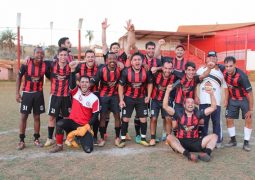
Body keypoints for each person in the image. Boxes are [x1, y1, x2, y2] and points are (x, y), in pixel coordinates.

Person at [50, 63, 99, 153]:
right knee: (60, 124)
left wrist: (87, 126)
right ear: (79, 83)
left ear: (89, 84)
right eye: (82, 82)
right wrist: (72, 71)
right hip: (72, 123)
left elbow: (95, 115)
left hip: (84, 126)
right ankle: (59, 145)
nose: (84, 84)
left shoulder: (94, 98)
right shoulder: (76, 92)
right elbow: (72, 84)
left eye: (86, 82)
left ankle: (80, 138)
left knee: (88, 150)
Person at [163, 84, 218, 162]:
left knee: (214, 136)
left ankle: (207, 154)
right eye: (188, 102)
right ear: (184, 105)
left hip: (195, 142)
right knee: (169, 137)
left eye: (192, 102)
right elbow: (165, 106)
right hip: (181, 142)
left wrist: (212, 94)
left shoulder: (198, 113)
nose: (190, 104)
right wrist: (167, 91)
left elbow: (213, 107)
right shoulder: (179, 113)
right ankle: (187, 154)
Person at [16, 46, 50, 150]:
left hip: (38, 94)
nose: (39, 55)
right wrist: (17, 93)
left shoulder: (45, 65)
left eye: (41, 53)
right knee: (23, 116)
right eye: (37, 53)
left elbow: (52, 76)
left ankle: (36, 139)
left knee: (37, 117)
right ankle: (21, 141)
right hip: (27, 93)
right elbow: (19, 77)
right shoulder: (26, 63)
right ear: (33, 54)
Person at [218, 56, 253, 151]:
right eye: (226, 66)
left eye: (230, 66)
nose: (228, 68)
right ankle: (233, 140)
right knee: (229, 119)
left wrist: (250, 109)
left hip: (243, 99)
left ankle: (246, 143)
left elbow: (250, 93)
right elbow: (214, 64)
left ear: (235, 65)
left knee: (248, 118)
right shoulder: (223, 69)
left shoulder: (242, 76)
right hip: (232, 99)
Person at [118, 52, 153, 147]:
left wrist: (148, 96)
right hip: (128, 98)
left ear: (142, 61)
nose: (137, 62)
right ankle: (122, 139)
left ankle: (143, 138)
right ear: (132, 62)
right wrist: (121, 99)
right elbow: (120, 86)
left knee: (143, 119)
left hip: (141, 98)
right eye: (135, 60)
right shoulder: (126, 72)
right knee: (125, 118)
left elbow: (150, 84)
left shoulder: (146, 71)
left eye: (139, 60)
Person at [196, 51, 228, 148]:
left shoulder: (221, 72)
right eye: (209, 57)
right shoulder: (200, 70)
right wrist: (195, 96)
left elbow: (226, 88)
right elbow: (194, 83)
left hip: (216, 102)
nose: (211, 59)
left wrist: (226, 99)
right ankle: (203, 140)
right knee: (203, 122)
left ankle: (218, 141)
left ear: (217, 60)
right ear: (206, 59)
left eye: (214, 58)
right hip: (203, 101)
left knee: (216, 122)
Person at [90, 52, 122, 147]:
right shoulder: (102, 70)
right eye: (110, 59)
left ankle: (117, 137)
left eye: (114, 59)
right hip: (103, 97)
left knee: (117, 116)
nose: (112, 60)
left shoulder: (120, 70)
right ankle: (102, 138)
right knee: (103, 117)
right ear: (107, 60)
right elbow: (94, 81)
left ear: (116, 60)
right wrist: (84, 86)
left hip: (115, 96)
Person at [44, 47, 72, 147]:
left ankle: (68, 138)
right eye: (61, 55)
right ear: (58, 56)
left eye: (65, 55)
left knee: (67, 118)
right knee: (52, 117)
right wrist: (28, 58)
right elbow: (40, 61)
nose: (63, 57)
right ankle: (50, 138)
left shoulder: (70, 66)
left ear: (68, 56)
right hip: (55, 96)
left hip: (66, 96)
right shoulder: (52, 65)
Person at [73, 50, 100, 145]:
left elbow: (94, 82)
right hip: (82, 93)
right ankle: (78, 135)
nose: (90, 58)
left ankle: (95, 136)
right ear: (85, 59)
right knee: (80, 115)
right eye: (88, 57)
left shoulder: (99, 67)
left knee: (95, 116)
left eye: (92, 56)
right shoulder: (80, 66)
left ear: (95, 58)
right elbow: (74, 76)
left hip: (95, 93)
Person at [149, 60, 177, 146]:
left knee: (168, 119)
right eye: (165, 68)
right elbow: (150, 70)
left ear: (172, 69)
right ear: (162, 68)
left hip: (167, 101)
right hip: (155, 100)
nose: (167, 70)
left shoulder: (174, 77)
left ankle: (168, 138)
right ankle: (153, 138)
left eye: (169, 68)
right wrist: (158, 68)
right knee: (153, 118)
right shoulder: (156, 74)